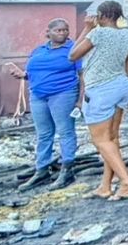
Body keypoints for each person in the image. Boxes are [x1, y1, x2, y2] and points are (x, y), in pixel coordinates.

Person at [69, 0, 128, 200]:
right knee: (112, 139)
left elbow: (73, 55)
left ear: (102, 15)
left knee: (101, 140)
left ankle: (126, 183)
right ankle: (105, 186)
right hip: (122, 86)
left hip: (101, 89)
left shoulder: (97, 33)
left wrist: (86, 29)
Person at [8, 18, 85, 190]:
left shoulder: (73, 49)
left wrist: (80, 101)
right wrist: (22, 74)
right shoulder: (39, 50)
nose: (63, 33)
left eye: (65, 30)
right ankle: (42, 170)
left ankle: (67, 171)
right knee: (43, 134)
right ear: (48, 32)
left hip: (63, 94)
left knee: (65, 131)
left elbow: (82, 75)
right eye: (58, 30)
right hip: (38, 95)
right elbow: (33, 72)